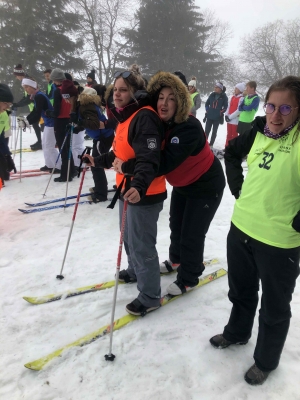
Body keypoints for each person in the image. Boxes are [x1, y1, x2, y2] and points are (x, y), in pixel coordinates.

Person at [210, 75, 300, 385]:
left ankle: (266, 360)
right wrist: (237, 186)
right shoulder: (259, 130)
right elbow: (232, 154)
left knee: (274, 307)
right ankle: (236, 333)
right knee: (242, 291)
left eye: (286, 108)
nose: (276, 115)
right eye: (272, 106)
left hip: (279, 242)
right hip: (242, 228)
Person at [114, 71, 225, 295]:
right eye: (161, 97)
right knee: (176, 225)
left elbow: (162, 163)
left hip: (206, 186)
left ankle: (189, 276)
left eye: (172, 98)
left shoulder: (188, 127)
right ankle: (176, 261)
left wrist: (126, 166)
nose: (164, 103)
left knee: (191, 234)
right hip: (183, 185)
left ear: (181, 102)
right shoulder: (161, 123)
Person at [84, 64, 167, 316]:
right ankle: (134, 271)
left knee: (142, 244)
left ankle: (151, 294)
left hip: (144, 192)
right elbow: (119, 154)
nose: (116, 95)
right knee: (129, 237)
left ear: (135, 92)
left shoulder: (144, 116)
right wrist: (97, 161)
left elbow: (149, 157)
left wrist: (139, 186)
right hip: (126, 188)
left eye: (123, 90)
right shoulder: (125, 116)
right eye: (115, 90)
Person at [70, 86, 114, 201]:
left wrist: (79, 121)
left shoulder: (86, 106)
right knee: (95, 163)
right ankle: (100, 188)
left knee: (96, 165)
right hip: (101, 137)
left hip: (103, 137)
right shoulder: (89, 105)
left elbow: (94, 124)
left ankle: (101, 194)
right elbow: (89, 121)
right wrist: (78, 127)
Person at [23, 77, 61, 172]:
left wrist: (27, 122)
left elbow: (37, 112)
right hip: (48, 123)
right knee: (45, 145)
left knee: (49, 145)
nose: (25, 89)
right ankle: (50, 164)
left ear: (33, 86)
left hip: (52, 123)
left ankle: (59, 166)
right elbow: (35, 111)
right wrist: (26, 120)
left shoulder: (39, 96)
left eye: (27, 87)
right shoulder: (36, 96)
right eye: (24, 87)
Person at [46, 68, 76, 182]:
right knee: (68, 146)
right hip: (69, 119)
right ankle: (72, 170)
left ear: (55, 80)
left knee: (63, 148)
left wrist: (49, 112)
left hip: (60, 121)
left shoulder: (57, 90)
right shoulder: (70, 89)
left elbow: (57, 111)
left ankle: (65, 174)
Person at [13, 64, 42, 150]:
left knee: (35, 124)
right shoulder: (25, 81)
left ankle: (40, 142)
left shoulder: (27, 81)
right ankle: (39, 141)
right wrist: (17, 104)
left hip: (35, 105)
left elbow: (29, 98)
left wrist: (18, 104)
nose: (16, 78)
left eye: (16, 76)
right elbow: (25, 97)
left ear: (19, 74)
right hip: (33, 106)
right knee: (35, 125)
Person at [0, 84, 16, 186]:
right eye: (6, 103)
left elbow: (1, 136)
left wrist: (7, 156)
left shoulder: (4, 115)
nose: (8, 107)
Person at [204, 82, 228, 147]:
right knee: (206, 131)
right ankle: (204, 143)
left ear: (220, 89)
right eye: (215, 87)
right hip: (209, 116)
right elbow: (207, 103)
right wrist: (207, 110)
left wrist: (220, 112)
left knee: (214, 132)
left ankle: (211, 144)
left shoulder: (224, 97)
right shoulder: (212, 94)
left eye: (216, 87)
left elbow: (225, 107)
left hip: (217, 117)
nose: (215, 88)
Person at [224, 83, 245, 147]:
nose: (235, 89)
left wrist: (230, 117)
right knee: (229, 134)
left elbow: (239, 110)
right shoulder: (232, 97)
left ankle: (233, 148)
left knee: (234, 135)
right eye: (235, 88)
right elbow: (228, 106)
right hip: (229, 119)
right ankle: (227, 146)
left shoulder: (241, 98)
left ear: (240, 90)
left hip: (235, 120)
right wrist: (226, 115)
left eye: (237, 88)